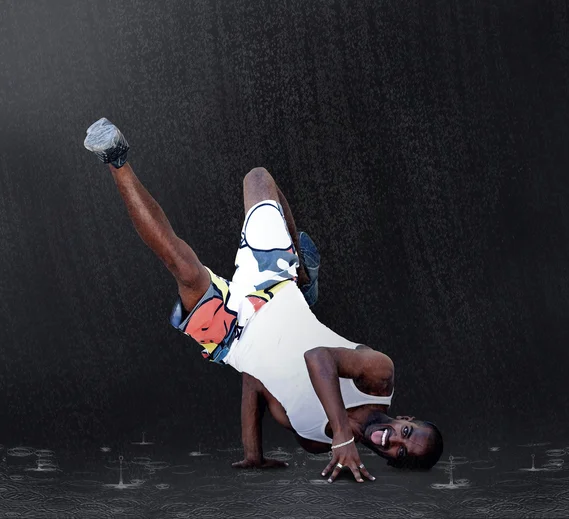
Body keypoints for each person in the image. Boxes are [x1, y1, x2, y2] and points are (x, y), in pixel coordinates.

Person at [83, 118, 444, 483]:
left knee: (182, 268)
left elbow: (255, 381)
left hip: (232, 335)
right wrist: (342, 434)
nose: (394, 439)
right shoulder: (380, 379)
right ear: (406, 419)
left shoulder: (315, 441)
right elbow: (318, 358)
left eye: (399, 451)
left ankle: (115, 157)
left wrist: (253, 452)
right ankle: (302, 272)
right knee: (257, 179)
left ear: (390, 460)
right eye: (406, 433)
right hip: (275, 285)